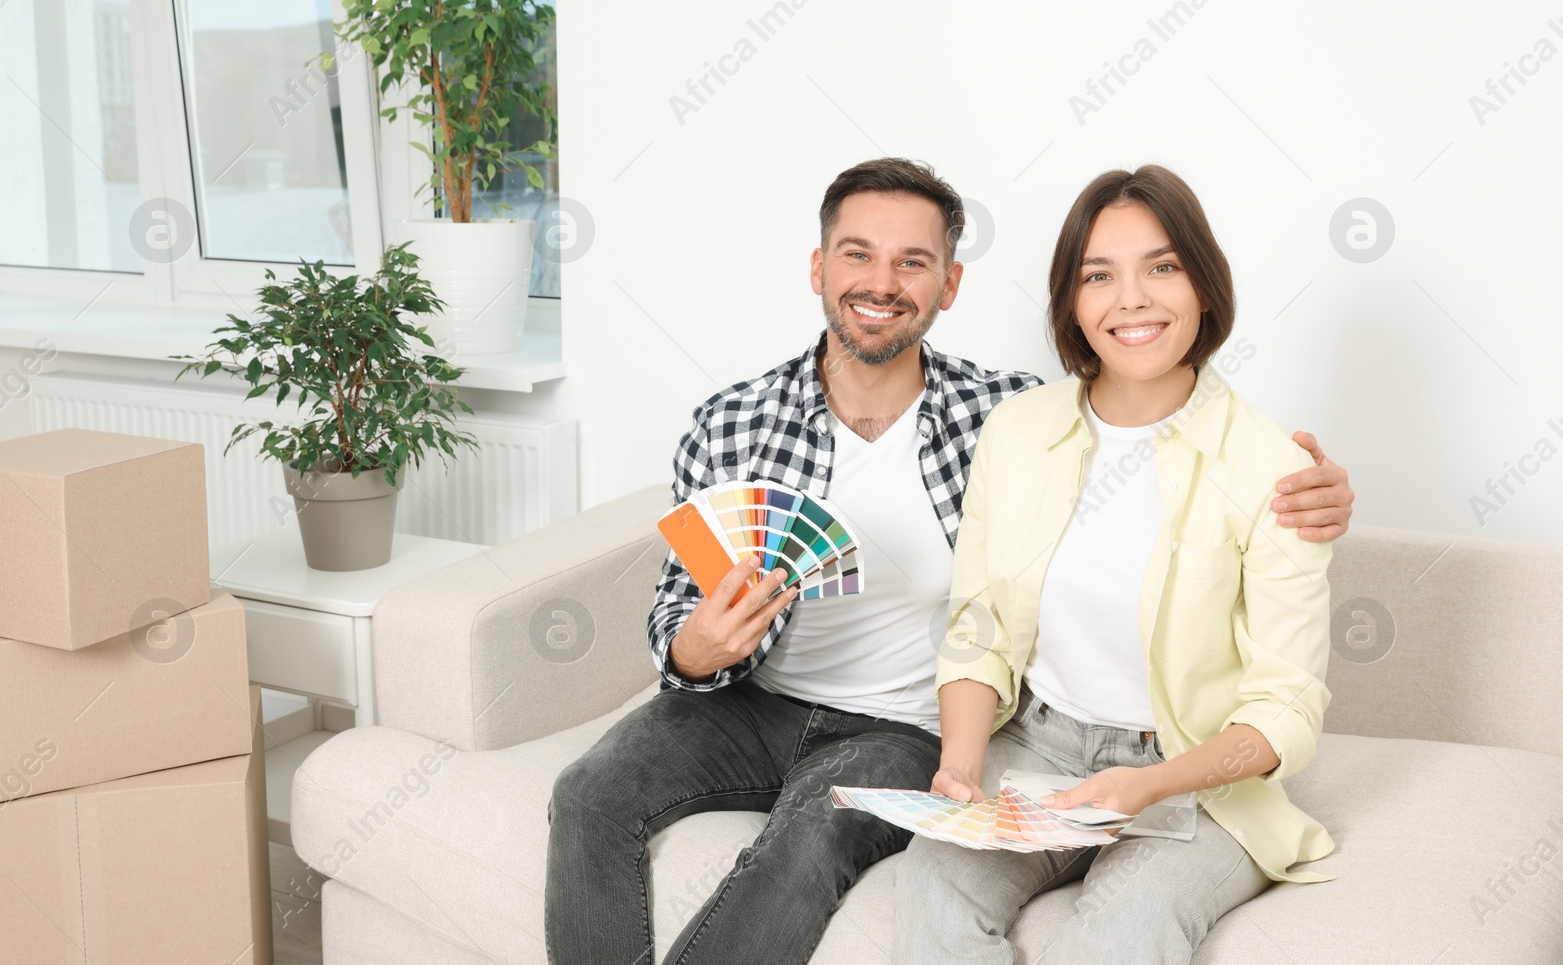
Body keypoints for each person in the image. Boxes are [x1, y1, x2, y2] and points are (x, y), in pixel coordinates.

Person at [545, 158, 1354, 965]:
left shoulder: (1000, 414)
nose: (883, 281)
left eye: (913, 262)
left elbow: (1278, 681)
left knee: (821, 839)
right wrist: (695, 648)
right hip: (769, 705)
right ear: (818, 267)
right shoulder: (744, 423)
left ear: (951, 283)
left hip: (905, 728)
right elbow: (975, 627)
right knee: (586, 793)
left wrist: (1319, 491)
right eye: (857, 253)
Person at [893, 164, 1338, 965]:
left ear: (1204, 285)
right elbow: (978, 630)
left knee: (1117, 938)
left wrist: (1150, 785)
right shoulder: (1017, 432)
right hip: (1038, 749)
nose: (1131, 299)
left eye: (1162, 266)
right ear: (1072, 301)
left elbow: (1287, 707)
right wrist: (960, 766)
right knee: (928, 889)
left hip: (1196, 776)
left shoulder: (1276, 467)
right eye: (1100, 275)